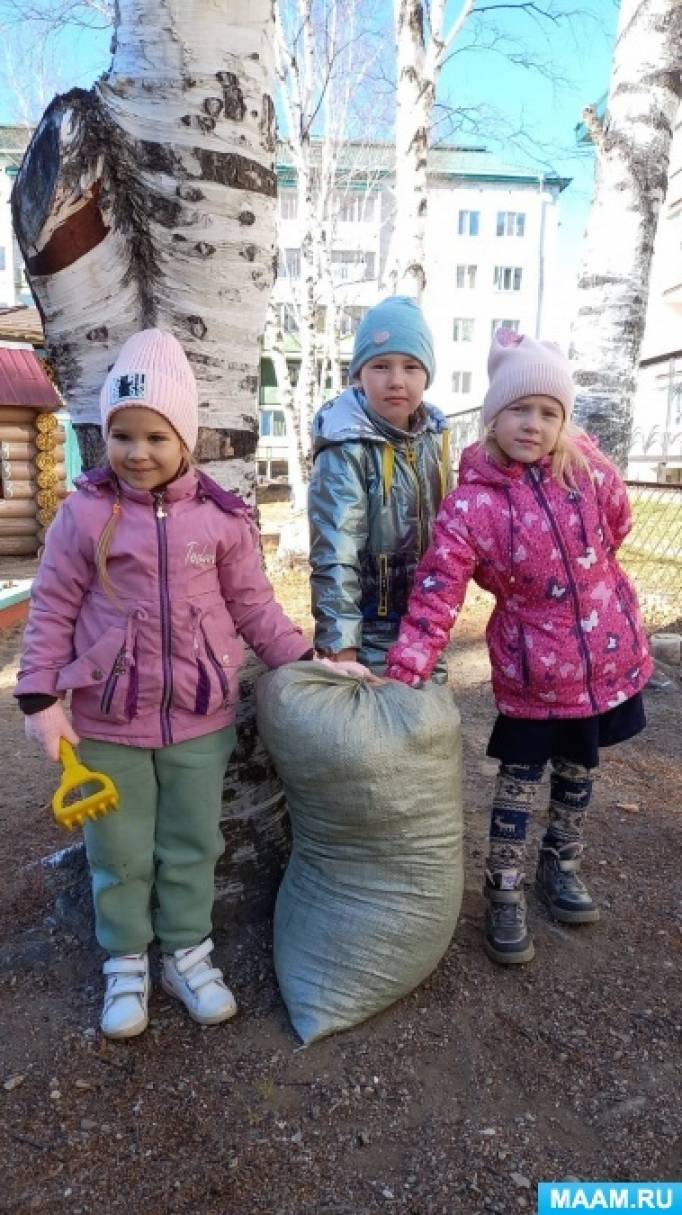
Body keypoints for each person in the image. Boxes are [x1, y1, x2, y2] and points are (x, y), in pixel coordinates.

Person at [15, 328, 362, 1040]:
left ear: (188, 439)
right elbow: (50, 609)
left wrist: (306, 660)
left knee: (193, 842)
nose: (138, 452)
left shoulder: (223, 521)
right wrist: (41, 697)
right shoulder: (83, 517)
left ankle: (186, 955)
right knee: (117, 850)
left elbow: (254, 607)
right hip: (105, 723)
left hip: (201, 721)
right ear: (104, 436)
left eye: (155, 436)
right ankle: (125, 964)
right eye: (123, 435)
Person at [385, 329, 652, 964]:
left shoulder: (581, 475)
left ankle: (560, 863)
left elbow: (618, 520)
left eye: (550, 413)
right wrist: (409, 663)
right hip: (534, 673)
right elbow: (438, 588)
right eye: (519, 410)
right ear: (492, 418)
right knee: (520, 777)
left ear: (566, 423)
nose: (533, 425)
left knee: (579, 770)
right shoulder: (471, 504)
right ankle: (503, 885)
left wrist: (581, 449)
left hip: (600, 661)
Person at [308, 295, 452, 673]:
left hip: (424, 627)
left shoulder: (434, 441)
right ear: (359, 373)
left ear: (427, 375)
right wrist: (340, 645)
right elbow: (335, 550)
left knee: (428, 729)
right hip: (366, 634)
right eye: (381, 366)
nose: (396, 381)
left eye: (411, 367)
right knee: (366, 730)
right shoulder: (346, 445)